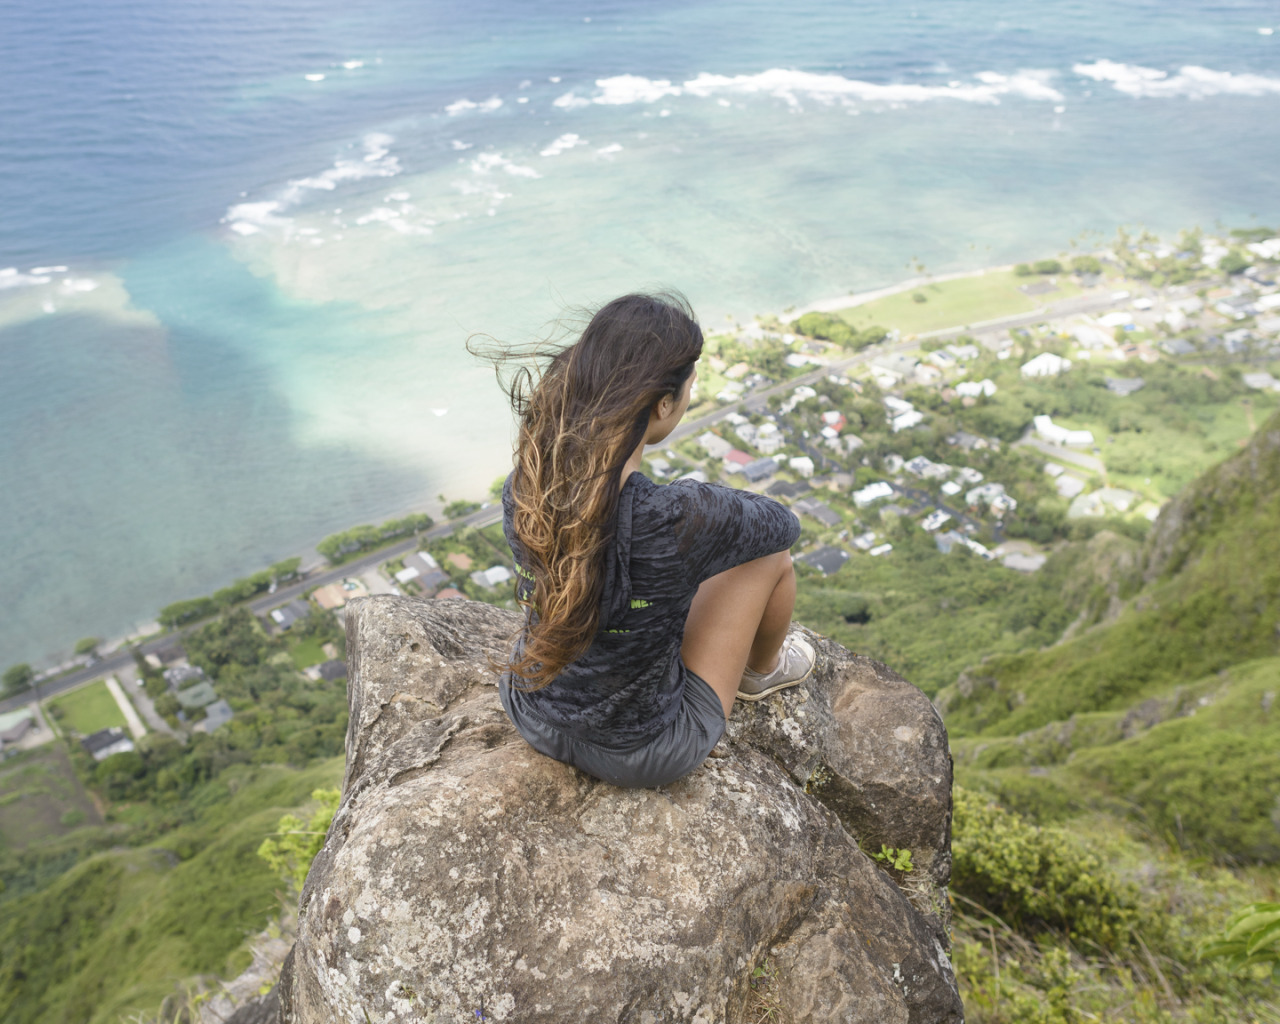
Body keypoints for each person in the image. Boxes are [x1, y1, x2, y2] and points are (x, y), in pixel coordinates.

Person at [490, 292, 815, 788]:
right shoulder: (675, 517)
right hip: (644, 751)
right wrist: (700, 500)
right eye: (688, 388)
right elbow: (782, 526)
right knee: (771, 559)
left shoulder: (530, 482)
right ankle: (763, 672)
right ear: (664, 402)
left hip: (531, 711)